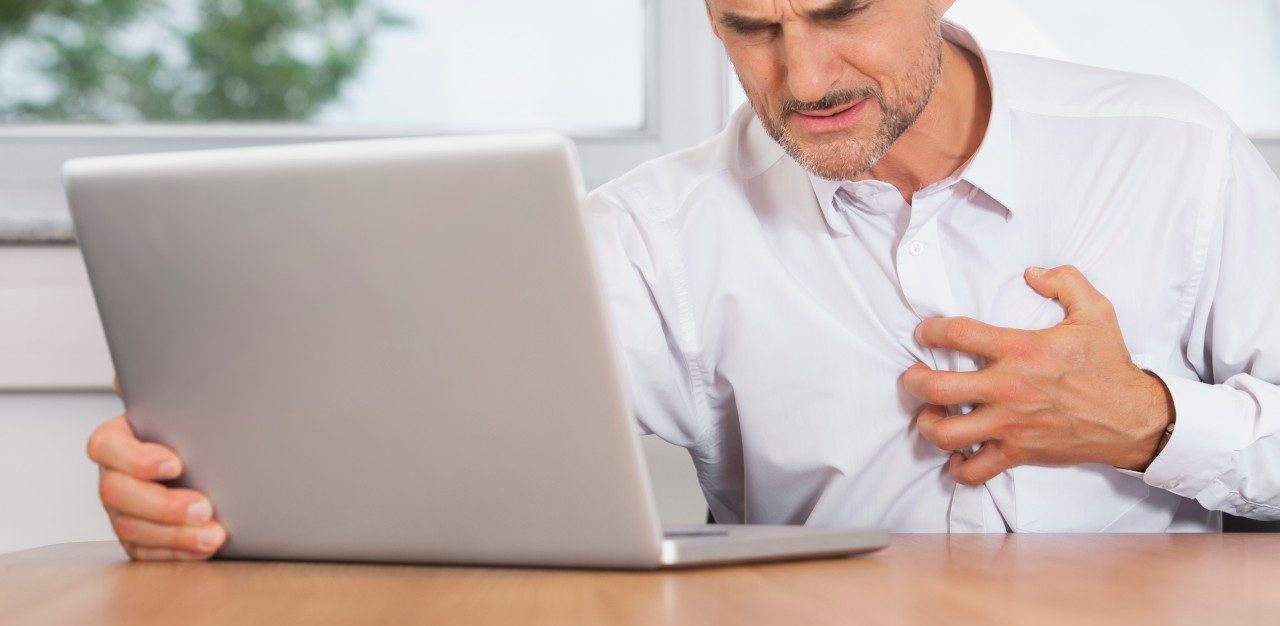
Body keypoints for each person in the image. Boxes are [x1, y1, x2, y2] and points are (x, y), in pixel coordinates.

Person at [87, 0, 1280, 559]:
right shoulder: (654, 231)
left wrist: (1153, 424)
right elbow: (425, 436)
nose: (801, 73)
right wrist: (199, 493)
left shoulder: (1166, 148)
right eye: (747, 25)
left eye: (840, 10)